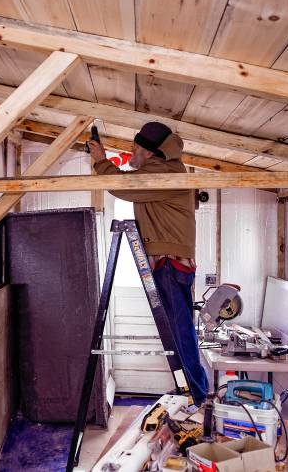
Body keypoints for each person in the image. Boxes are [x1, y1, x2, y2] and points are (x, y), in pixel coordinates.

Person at [88, 121, 208, 404]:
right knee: (180, 332)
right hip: (170, 263)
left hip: (169, 263)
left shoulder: (164, 172)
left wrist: (101, 162)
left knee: (180, 332)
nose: (131, 151)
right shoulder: (165, 170)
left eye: (135, 148)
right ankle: (196, 393)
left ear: (150, 153)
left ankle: (199, 397)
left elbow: (125, 187)